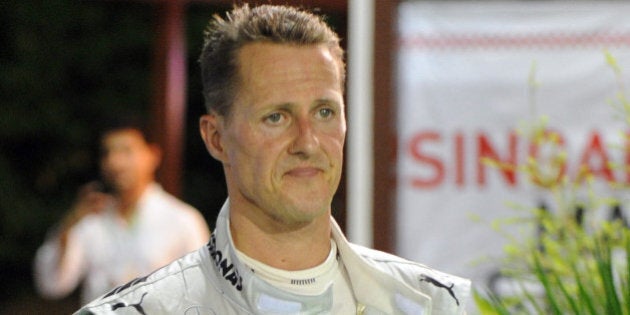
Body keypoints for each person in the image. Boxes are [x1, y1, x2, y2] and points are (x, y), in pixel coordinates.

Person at [76, 4, 471, 314]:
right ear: (216, 138)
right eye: (276, 117)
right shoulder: (140, 311)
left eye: (324, 112)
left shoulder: (446, 306)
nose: (307, 141)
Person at [33, 117, 210, 304]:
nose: (115, 161)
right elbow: (52, 285)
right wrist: (70, 223)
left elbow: (204, 293)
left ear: (153, 155)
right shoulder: (90, 218)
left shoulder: (182, 220)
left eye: (127, 151)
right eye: (108, 153)